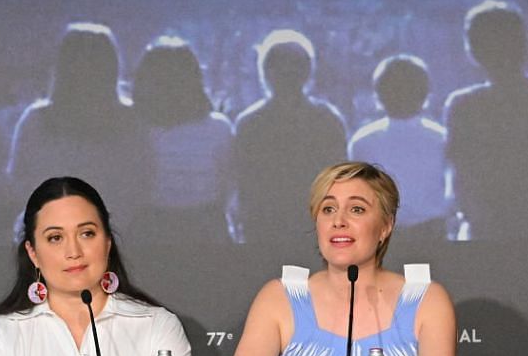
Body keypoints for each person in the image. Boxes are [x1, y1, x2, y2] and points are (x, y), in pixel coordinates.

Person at [214, 161, 483, 356]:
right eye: (328, 208)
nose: (338, 221)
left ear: (385, 226)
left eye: (357, 209)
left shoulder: (425, 299)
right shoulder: (280, 298)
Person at [0, 176, 195, 356]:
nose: (73, 251)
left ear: (107, 242)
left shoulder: (157, 326)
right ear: (33, 253)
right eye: (55, 238)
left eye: (86, 233)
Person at [442, 0, 528, 240]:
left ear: (473, 51)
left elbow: (460, 177)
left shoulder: (463, 107)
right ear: (525, 45)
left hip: (487, 235)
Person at [8, 23, 151, 228]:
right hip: (114, 233)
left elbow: (18, 180)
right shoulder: (132, 120)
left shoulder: (36, 119)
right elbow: (142, 183)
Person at [231, 29, 348, 243]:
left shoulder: (249, 123)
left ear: (265, 72)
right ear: (308, 72)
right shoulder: (328, 120)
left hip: (264, 228)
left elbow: (244, 184)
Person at [133, 36, 234, 244]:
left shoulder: (136, 128)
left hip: (153, 230)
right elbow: (227, 183)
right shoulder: (218, 128)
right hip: (207, 228)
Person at [348, 54, 452, 243]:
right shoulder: (441, 138)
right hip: (431, 234)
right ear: (425, 93)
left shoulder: (362, 141)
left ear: (378, 94)